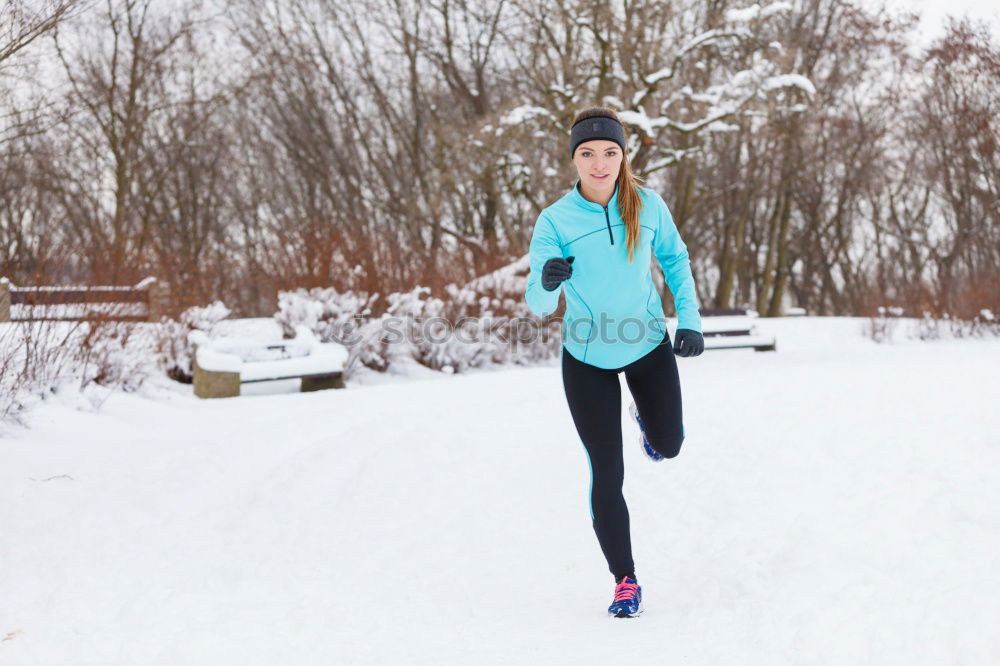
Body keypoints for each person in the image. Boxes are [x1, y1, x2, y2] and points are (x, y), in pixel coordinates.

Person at [524, 106, 705, 618]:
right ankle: (625, 579)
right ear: (574, 160)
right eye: (587, 154)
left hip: (647, 344)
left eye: (609, 152)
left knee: (669, 446)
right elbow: (537, 303)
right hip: (587, 360)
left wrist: (688, 320)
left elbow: (675, 259)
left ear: (623, 157)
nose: (599, 163)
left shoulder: (647, 206)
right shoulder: (554, 221)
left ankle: (650, 425)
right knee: (607, 471)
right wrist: (549, 279)